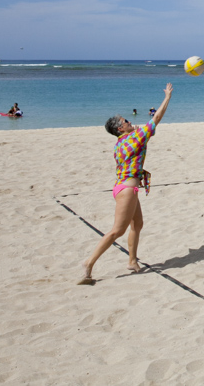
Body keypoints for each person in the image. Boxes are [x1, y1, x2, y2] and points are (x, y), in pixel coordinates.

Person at [78, 83, 173, 285]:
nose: (130, 122)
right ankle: (89, 263)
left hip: (124, 187)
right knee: (117, 231)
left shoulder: (120, 143)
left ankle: (132, 261)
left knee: (137, 224)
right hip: (127, 189)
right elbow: (156, 120)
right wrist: (167, 98)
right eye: (126, 121)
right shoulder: (135, 137)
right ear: (120, 128)